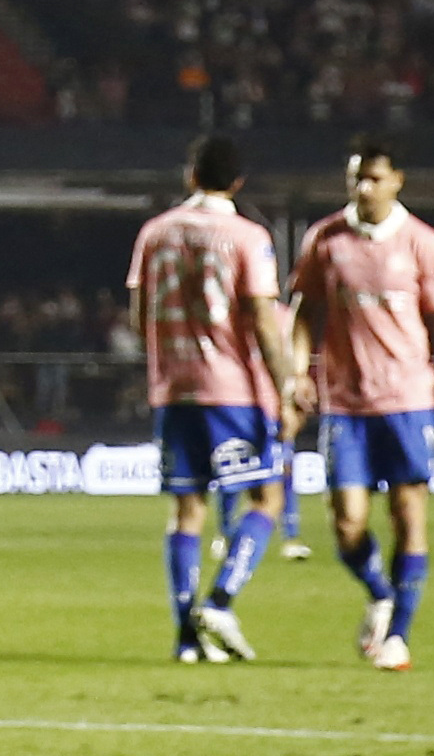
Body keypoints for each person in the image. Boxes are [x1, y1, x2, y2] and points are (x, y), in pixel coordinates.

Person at [286, 140, 434, 672]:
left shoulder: (423, 243)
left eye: (373, 178)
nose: (363, 188)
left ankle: (397, 637)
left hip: (408, 400)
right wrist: (296, 371)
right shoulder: (326, 240)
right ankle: (380, 591)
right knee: (347, 522)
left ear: (398, 181)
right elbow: (304, 313)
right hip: (345, 402)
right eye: (355, 178)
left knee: (408, 515)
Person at [128, 136, 310, 664]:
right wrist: (286, 385)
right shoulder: (248, 237)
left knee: (187, 511)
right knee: (265, 498)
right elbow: (260, 318)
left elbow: (140, 317)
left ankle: (186, 638)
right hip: (232, 389)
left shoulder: (154, 233)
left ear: (190, 175)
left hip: (173, 389)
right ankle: (221, 599)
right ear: (237, 183)